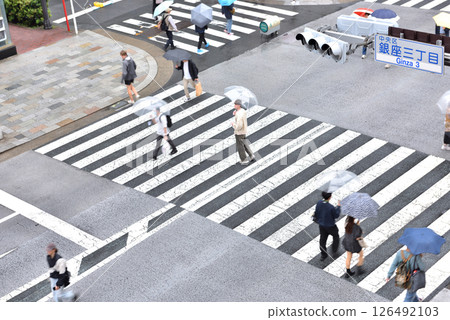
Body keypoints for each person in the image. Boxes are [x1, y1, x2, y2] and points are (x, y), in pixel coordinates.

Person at [314, 191, 341, 261]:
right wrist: (338, 207)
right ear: (330, 197)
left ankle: (323, 254)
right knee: (336, 236)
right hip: (331, 226)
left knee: (322, 240)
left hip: (322, 225)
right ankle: (334, 250)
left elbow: (316, 212)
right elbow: (336, 215)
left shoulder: (319, 203)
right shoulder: (331, 207)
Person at [232, 99, 255, 165]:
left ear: (239, 105)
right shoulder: (242, 111)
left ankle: (244, 159)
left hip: (239, 132)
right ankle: (251, 155)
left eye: (235, 104)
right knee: (244, 143)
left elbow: (239, 125)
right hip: (244, 131)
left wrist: (233, 125)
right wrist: (236, 113)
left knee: (240, 146)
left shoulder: (239, 114)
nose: (234, 106)